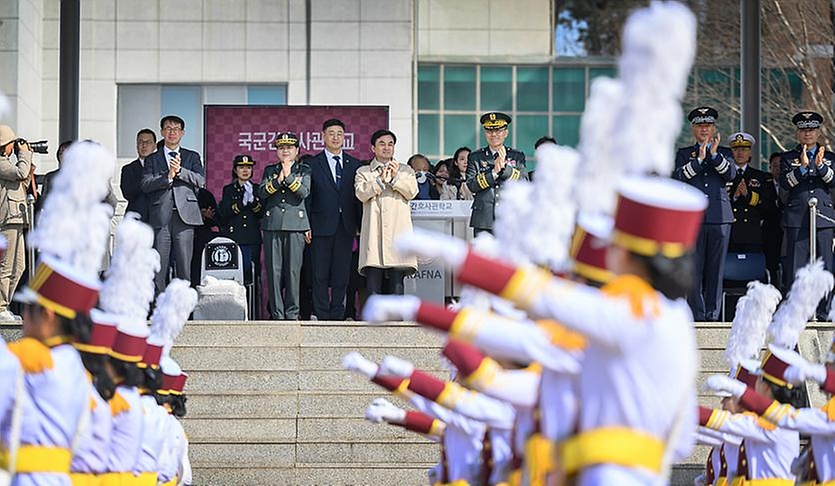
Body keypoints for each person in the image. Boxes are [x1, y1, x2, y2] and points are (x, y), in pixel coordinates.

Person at [673, 106, 737, 321]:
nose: (704, 129)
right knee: (695, 267)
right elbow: (679, 176)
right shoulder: (684, 154)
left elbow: (731, 174)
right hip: (695, 219)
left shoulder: (725, 153)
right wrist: (699, 160)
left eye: (708, 125)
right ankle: (697, 313)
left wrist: (713, 156)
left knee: (716, 269)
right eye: (700, 125)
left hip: (720, 217)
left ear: (714, 128)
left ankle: (713, 314)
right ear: (693, 128)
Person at [141, 115, 206, 292]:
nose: (172, 132)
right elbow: (145, 184)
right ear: (162, 132)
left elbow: (201, 180)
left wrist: (180, 171)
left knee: (184, 267)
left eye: (176, 129)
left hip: (185, 218)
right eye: (168, 128)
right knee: (159, 268)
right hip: (161, 218)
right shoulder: (152, 160)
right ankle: (159, 309)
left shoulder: (192, 156)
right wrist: (167, 177)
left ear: (182, 133)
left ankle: (183, 310)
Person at [305, 119, 362, 320]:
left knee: (342, 275)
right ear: (323, 136)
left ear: (344, 137)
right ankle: (321, 315)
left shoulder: (354, 164)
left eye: (339, 133)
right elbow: (308, 198)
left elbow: (357, 200)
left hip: (346, 227)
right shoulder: (311, 164)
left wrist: (359, 225)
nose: (336, 137)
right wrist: (306, 226)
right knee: (319, 274)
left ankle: (338, 315)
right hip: (320, 226)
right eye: (331, 133)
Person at [779, 111, 835, 302]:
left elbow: (833, 181)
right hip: (797, 216)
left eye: (811, 130)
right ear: (797, 133)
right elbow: (785, 183)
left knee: (825, 266)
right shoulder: (788, 157)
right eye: (803, 130)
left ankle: (824, 311)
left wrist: (820, 166)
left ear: (818, 132)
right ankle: (796, 309)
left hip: (823, 217)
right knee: (797, 266)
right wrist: (802, 168)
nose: (807, 134)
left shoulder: (829, 157)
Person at [355, 129, 418, 296]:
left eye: (390, 144)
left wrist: (395, 177)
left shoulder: (405, 170)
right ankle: (373, 319)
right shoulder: (364, 171)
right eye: (382, 143)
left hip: (397, 231)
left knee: (397, 283)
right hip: (374, 232)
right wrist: (380, 180)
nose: (387, 147)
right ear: (372, 148)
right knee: (373, 281)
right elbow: (361, 194)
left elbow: (412, 191)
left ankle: (397, 321)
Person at [258, 132, 311, 320]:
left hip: (296, 226)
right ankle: (277, 314)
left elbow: (303, 192)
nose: (285, 151)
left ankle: (292, 313)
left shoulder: (304, 170)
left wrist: (288, 177)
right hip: (272, 225)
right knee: (274, 272)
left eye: (289, 147)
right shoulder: (269, 170)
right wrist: (278, 180)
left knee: (293, 271)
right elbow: (262, 192)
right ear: (276, 151)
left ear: (297, 150)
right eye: (281, 148)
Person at [466, 112, 527, 235]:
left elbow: (524, 182)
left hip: (510, 219)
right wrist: (494, 173)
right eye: (489, 131)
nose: (494, 134)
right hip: (484, 220)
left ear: (506, 133)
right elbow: (471, 185)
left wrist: (505, 169)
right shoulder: (475, 157)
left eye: (498, 130)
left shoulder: (517, 156)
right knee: (483, 254)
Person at [0, 125, 32, 321]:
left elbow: (23, 182)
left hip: (18, 219)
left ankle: (5, 305)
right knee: (5, 266)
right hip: (7, 220)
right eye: (13, 144)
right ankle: (0, 306)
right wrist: (25, 156)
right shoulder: (1, 164)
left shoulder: (9, 165)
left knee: (19, 266)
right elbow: (20, 173)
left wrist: (28, 160)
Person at [218, 154, 264, 287]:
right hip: (234, 237)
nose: (245, 170)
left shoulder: (257, 189)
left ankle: (253, 306)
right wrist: (241, 203)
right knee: (234, 276)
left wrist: (253, 201)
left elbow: (261, 213)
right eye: (241, 167)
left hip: (252, 238)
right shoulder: (229, 190)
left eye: (248, 167)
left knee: (252, 275)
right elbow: (225, 214)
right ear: (235, 170)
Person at [727, 132, 776, 255]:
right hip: (730, 232)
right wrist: (735, 196)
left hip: (751, 233)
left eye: (744, 149)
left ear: (750, 153)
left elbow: (767, 204)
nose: (740, 153)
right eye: (736, 149)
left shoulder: (760, 176)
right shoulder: (725, 175)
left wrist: (748, 196)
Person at [120, 128, 157, 223]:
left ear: (154, 146)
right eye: (141, 142)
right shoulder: (128, 169)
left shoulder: (162, 168)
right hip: (135, 220)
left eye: (148, 142)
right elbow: (127, 193)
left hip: (157, 220)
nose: (144, 145)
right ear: (136, 145)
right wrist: (146, 175)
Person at [762, 151, 785, 288]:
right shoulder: (765, 183)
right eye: (774, 165)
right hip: (770, 231)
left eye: (781, 165)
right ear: (770, 167)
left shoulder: (791, 185)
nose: (778, 168)